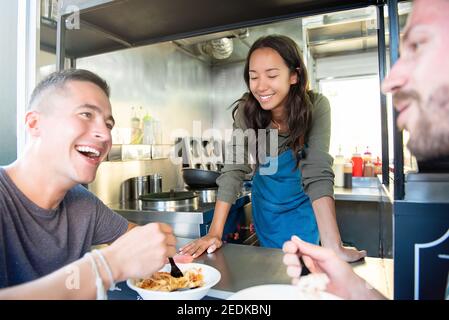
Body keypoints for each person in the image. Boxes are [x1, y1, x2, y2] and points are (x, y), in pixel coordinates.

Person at [283, 0, 449, 299]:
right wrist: (356, 291)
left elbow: (316, 167)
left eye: (419, 45)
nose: (390, 82)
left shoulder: (317, 105)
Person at [0, 69, 191, 299]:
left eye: (108, 124)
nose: (105, 134)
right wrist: (105, 267)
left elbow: (134, 238)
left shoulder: (82, 202)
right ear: (34, 123)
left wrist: (166, 251)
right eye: (86, 114)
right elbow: (114, 261)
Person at [181, 35, 366, 262]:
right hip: (266, 209)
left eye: (272, 75)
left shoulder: (317, 107)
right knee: (273, 270)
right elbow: (233, 169)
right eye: (253, 77)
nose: (260, 86)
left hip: (302, 206)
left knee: (306, 269)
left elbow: (317, 172)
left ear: (294, 75)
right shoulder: (246, 111)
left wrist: (333, 246)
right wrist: (214, 233)